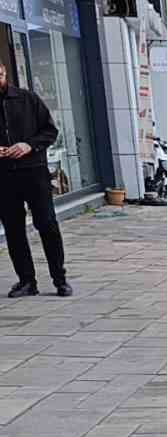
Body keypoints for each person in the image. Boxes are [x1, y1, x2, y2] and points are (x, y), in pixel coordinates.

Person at [0, 63, 68, 297]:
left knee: (47, 223)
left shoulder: (28, 99)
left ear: (4, 73)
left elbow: (50, 131)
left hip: (34, 170)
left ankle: (60, 278)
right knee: (13, 229)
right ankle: (27, 281)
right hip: (4, 176)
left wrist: (28, 145)